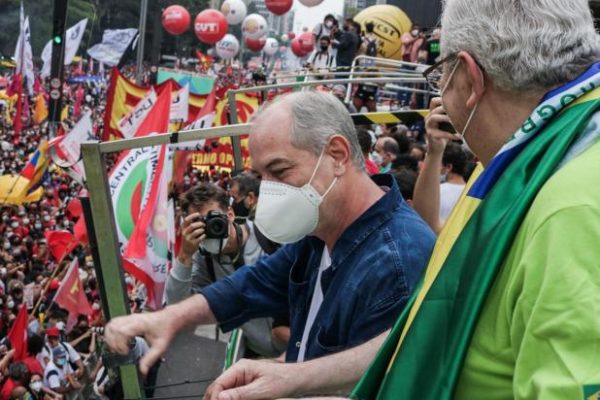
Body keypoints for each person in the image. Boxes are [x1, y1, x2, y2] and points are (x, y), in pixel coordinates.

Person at [203, 0, 600, 399]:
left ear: (469, 78)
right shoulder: (513, 164)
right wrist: (295, 378)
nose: (440, 98)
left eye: (440, 75)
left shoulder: (571, 209)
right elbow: (430, 330)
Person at [104, 91, 435, 373]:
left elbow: (376, 382)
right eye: (262, 176)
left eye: (279, 171)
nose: (269, 191)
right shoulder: (320, 229)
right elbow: (253, 284)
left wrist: (280, 382)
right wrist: (171, 318)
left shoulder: (397, 261)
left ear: (336, 155)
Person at [164, 183, 285, 358]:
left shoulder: (269, 236)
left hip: (300, 347)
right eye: (199, 224)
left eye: (213, 219)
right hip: (261, 355)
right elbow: (177, 306)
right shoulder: (205, 260)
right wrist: (185, 255)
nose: (209, 229)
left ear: (230, 214)